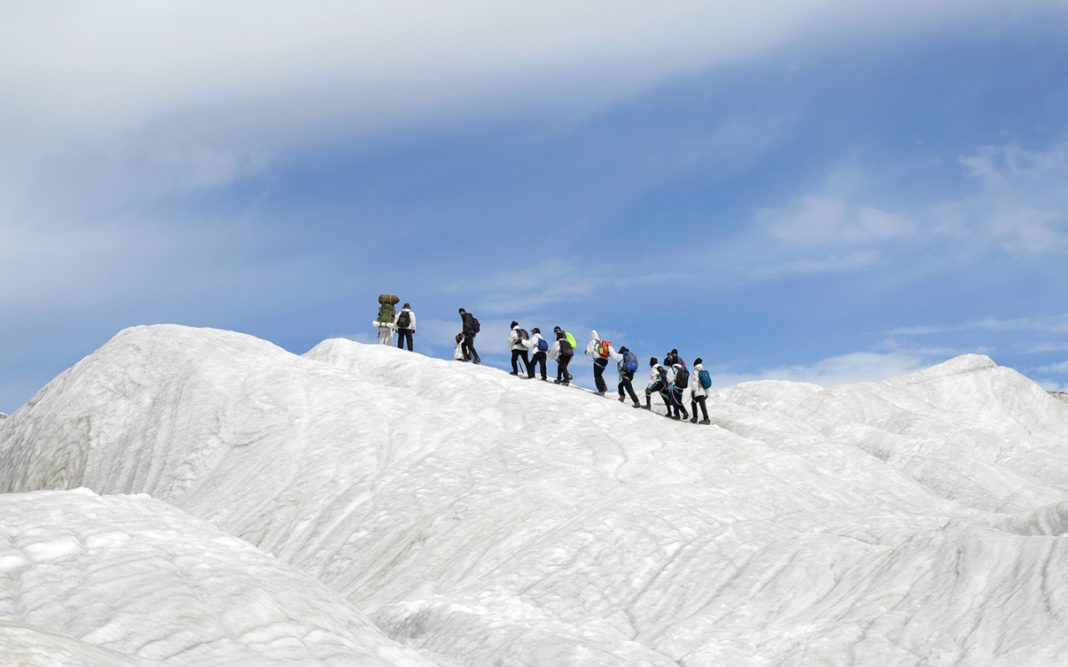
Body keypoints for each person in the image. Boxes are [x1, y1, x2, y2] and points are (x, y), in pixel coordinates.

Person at [584, 330, 615, 396]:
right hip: (605, 360)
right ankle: (603, 387)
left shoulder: (592, 342)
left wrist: (586, 352)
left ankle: (601, 390)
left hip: (598, 360)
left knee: (597, 375)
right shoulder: (601, 342)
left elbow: (589, 351)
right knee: (599, 374)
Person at [690, 357, 711, 424]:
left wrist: (693, 392)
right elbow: (706, 382)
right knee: (695, 403)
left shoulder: (695, 371)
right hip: (704, 391)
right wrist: (707, 393)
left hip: (698, 391)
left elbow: (695, 382)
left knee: (698, 404)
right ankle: (696, 418)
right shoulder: (704, 370)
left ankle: (704, 419)